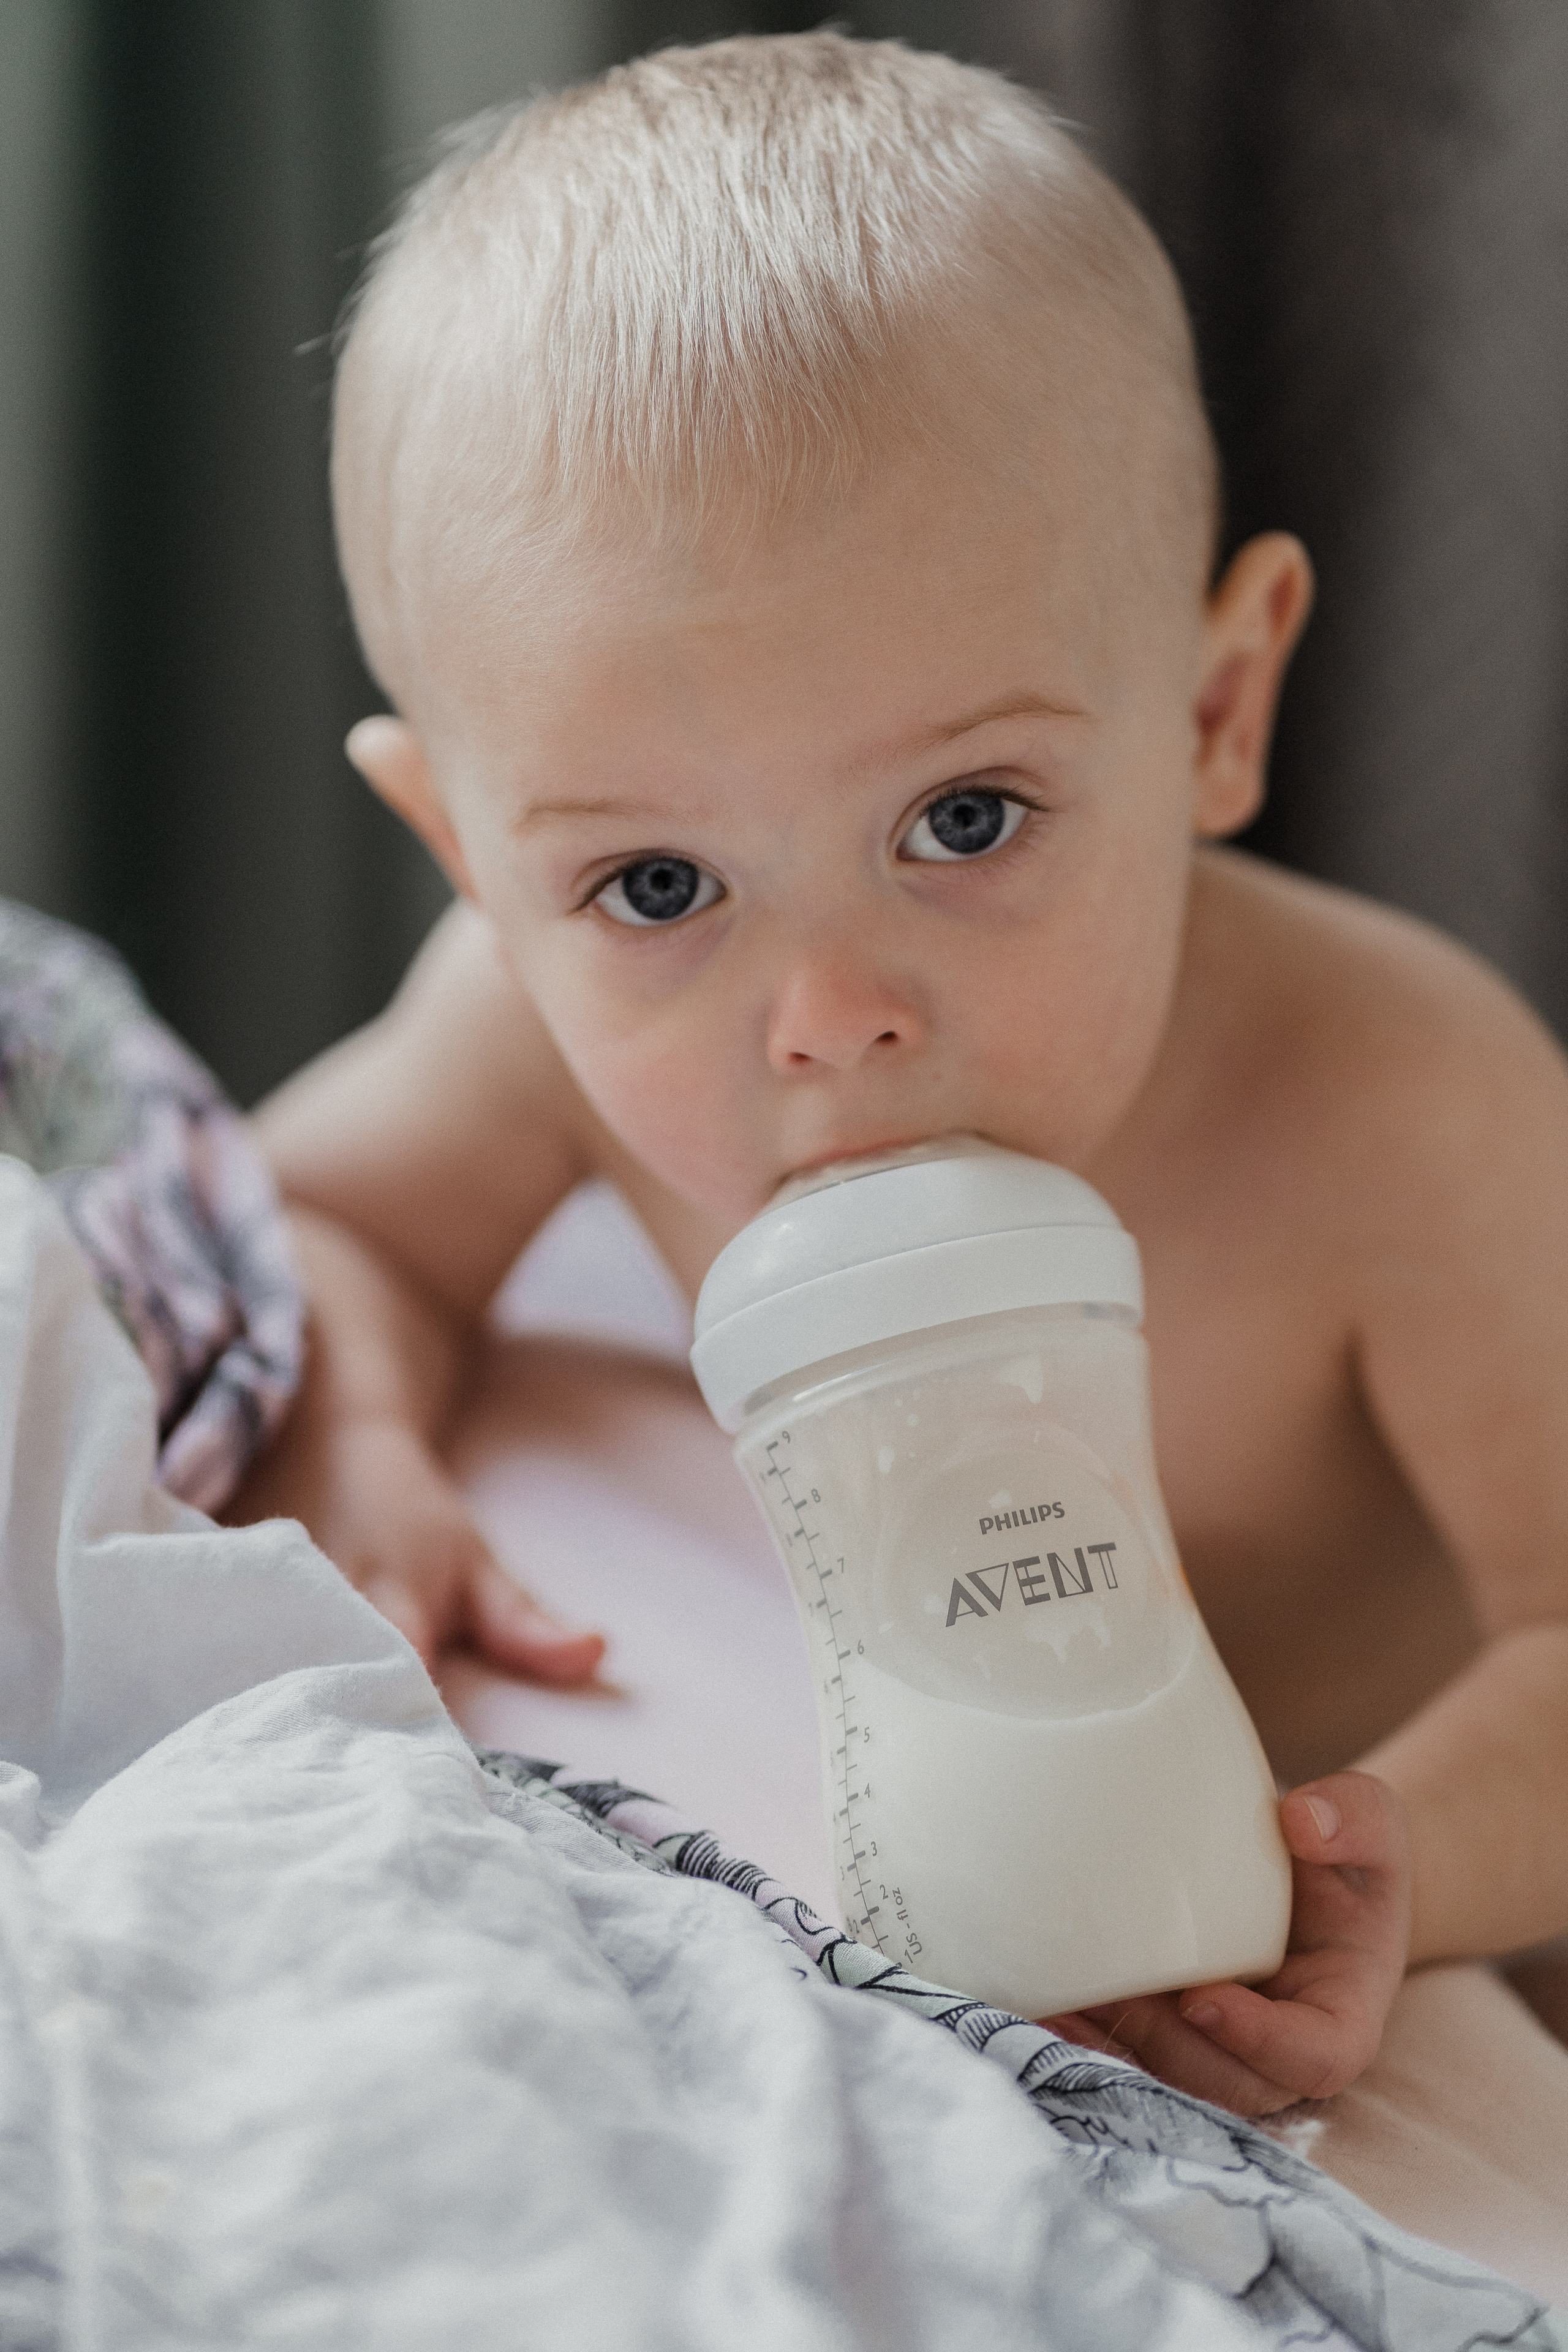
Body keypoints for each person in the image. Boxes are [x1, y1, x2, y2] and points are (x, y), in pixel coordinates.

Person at [236, 33, 1568, 2120]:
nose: (828, 1010)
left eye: (965, 821)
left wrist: (1391, 1859)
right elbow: (325, 1215)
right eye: (658, 879)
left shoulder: (1399, 1105)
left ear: (1215, 709)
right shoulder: (534, 1013)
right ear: (476, 871)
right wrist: (368, 1440)